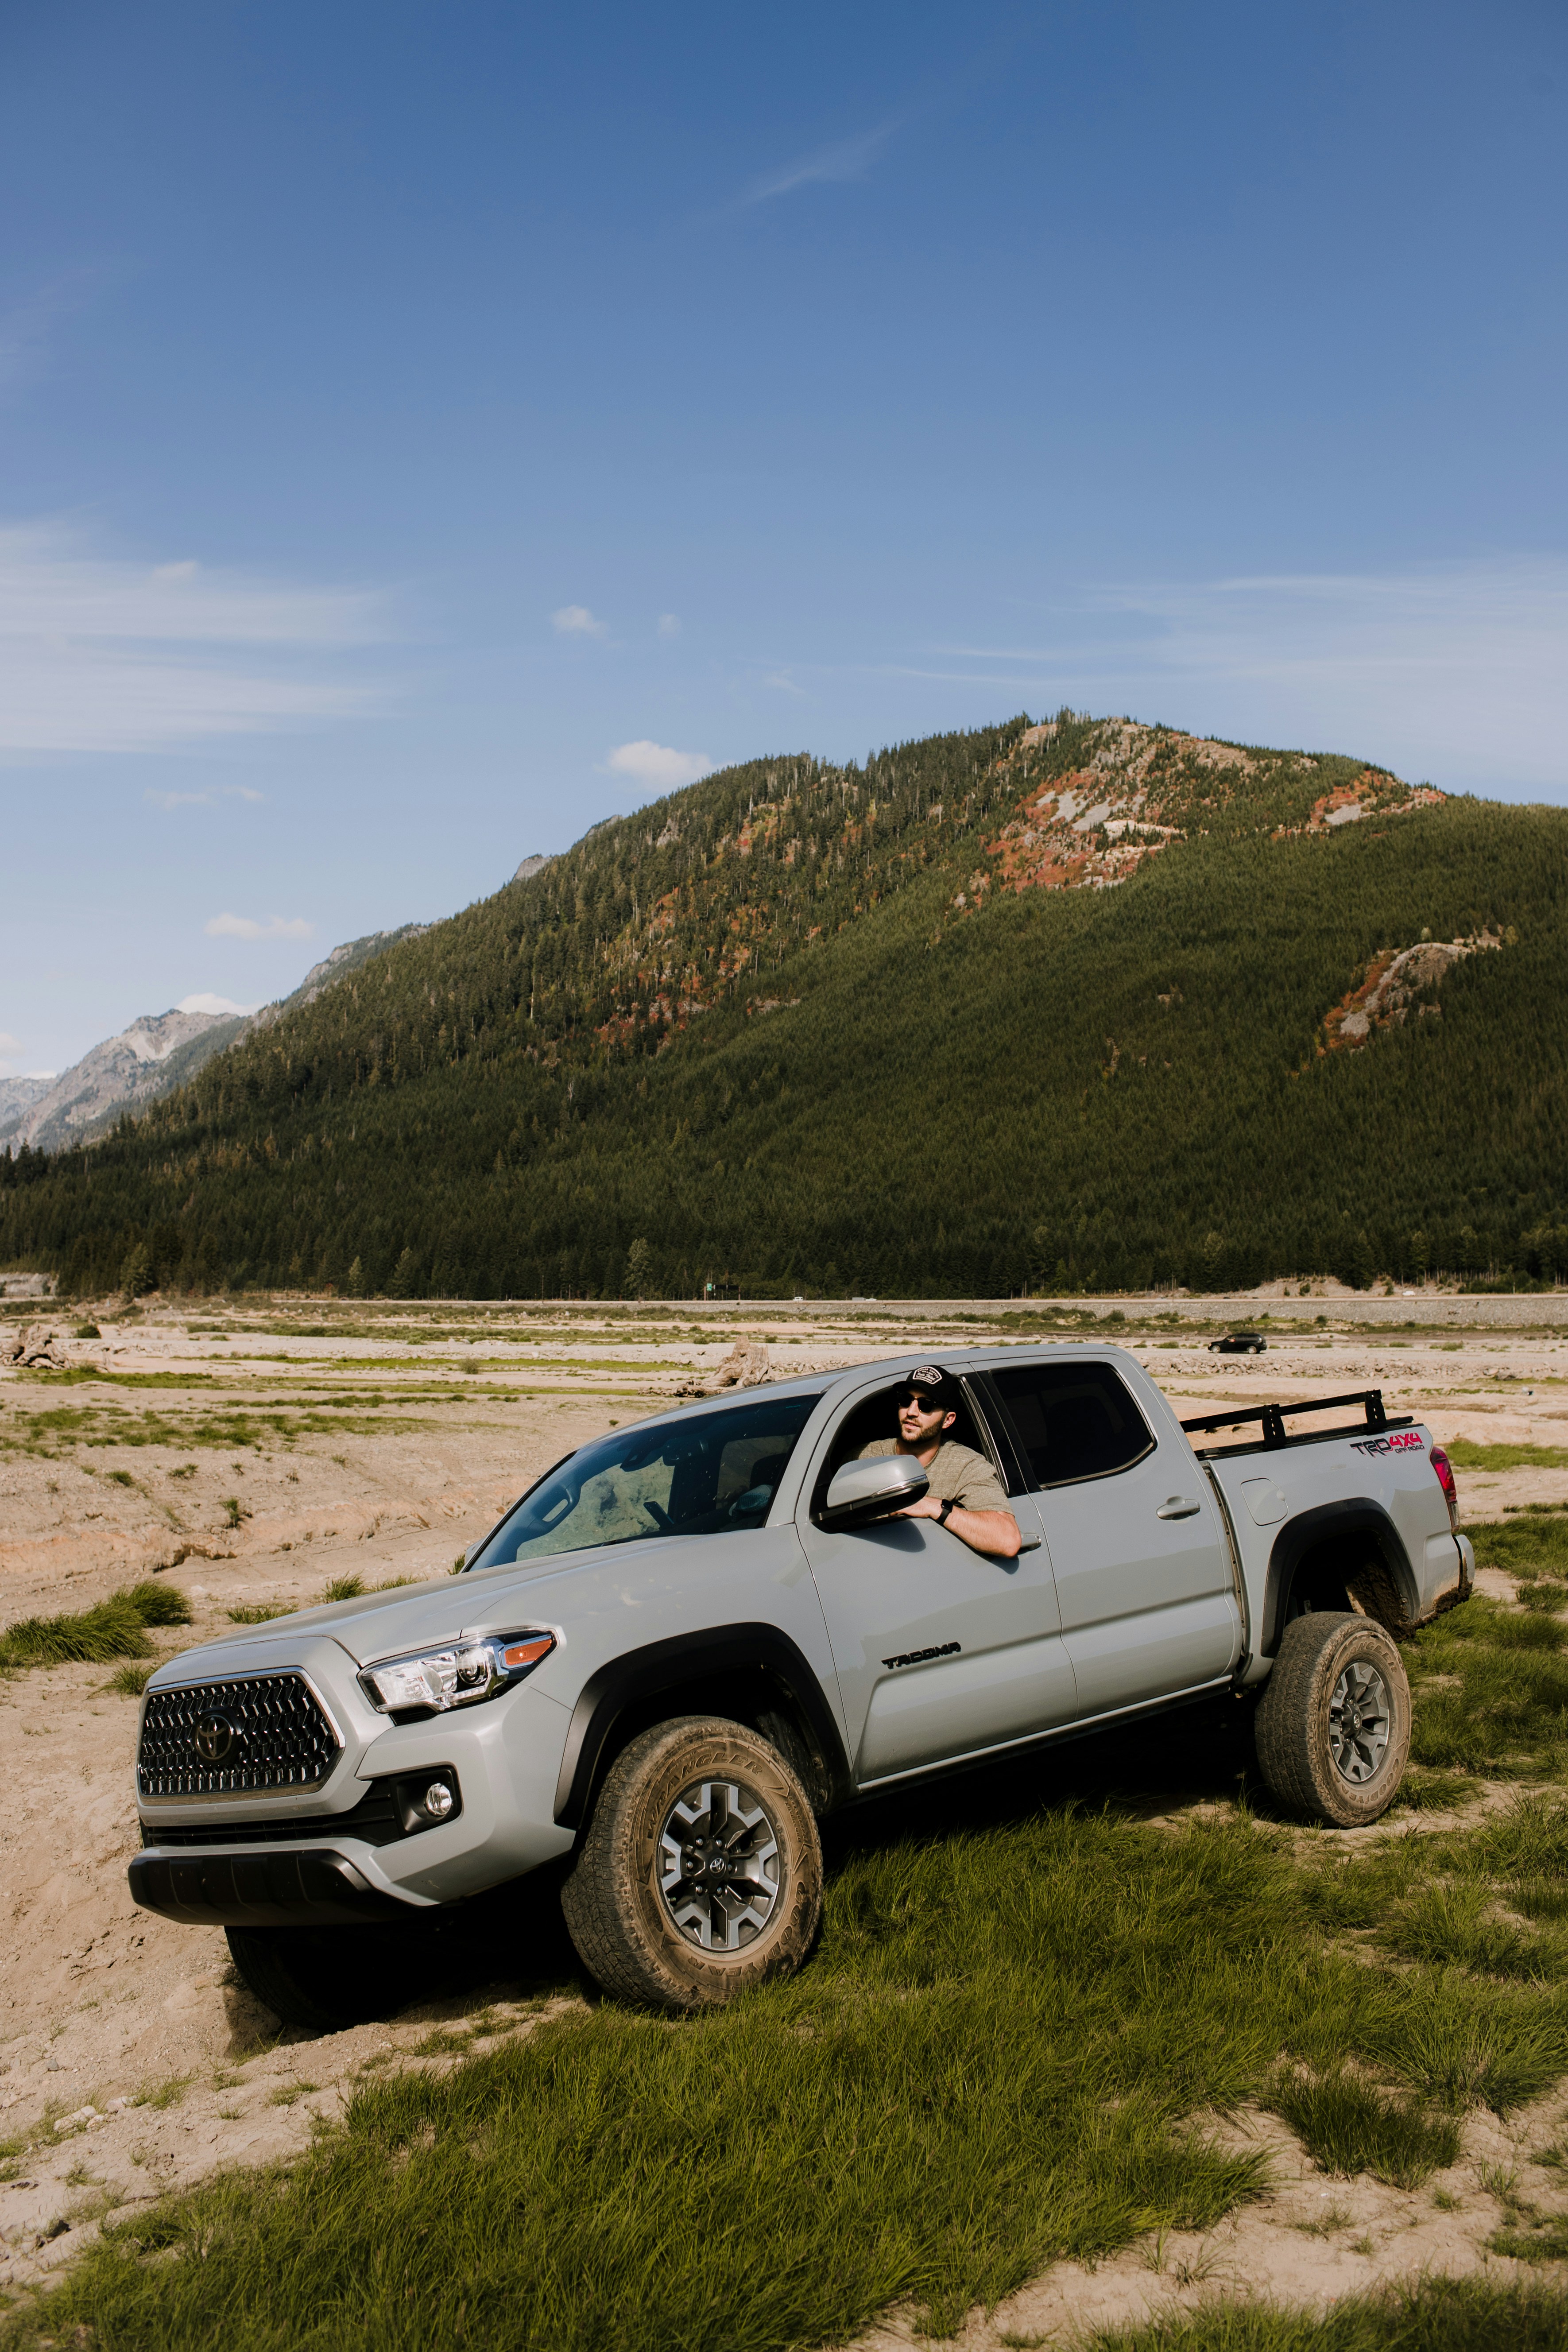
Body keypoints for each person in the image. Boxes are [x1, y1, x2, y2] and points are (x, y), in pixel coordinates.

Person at [858, 1365, 1022, 1559]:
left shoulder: (965, 1465)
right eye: (906, 1400)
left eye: (926, 1405)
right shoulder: (865, 1457)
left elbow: (1007, 1541)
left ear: (947, 1420)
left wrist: (934, 1507)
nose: (911, 1411)